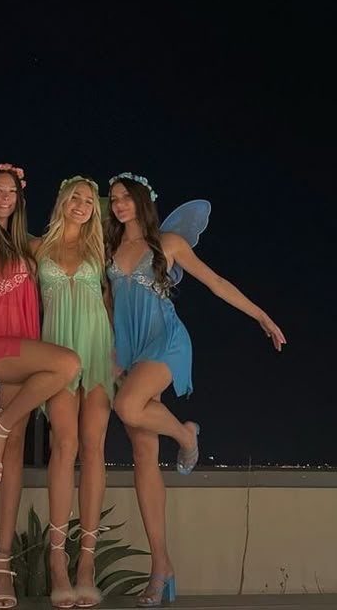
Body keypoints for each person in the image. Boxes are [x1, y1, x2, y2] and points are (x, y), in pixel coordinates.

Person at [105, 172, 286, 607]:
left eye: (126, 197)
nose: (119, 204)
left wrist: (261, 315)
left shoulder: (167, 243)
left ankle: (186, 434)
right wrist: (112, 355)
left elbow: (216, 283)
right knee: (143, 457)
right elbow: (109, 303)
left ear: (143, 201)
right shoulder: (109, 250)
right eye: (112, 199)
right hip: (127, 351)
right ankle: (160, 568)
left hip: (165, 343)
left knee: (128, 406)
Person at [0, 163, 81, 610]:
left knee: (13, 455)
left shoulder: (24, 244)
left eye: (12, 192)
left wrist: (83, 211)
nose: (6, 197)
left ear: (20, 197)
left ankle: (2, 568)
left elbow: (60, 247)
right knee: (66, 365)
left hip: (21, 343)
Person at [31, 176, 115, 609]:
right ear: (62, 201)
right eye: (75, 197)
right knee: (62, 445)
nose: (82, 204)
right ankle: (58, 561)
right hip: (58, 351)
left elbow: (112, 300)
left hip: (98, 351)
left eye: (88, 201)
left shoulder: (100, 251)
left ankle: (87, 562)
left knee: (94, 447)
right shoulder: (37, 248)